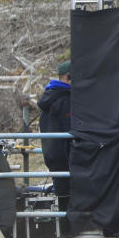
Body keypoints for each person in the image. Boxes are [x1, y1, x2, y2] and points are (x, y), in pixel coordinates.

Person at [39, 60, 72, 206]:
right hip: (65, 158)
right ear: (68, 77)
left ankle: (64, 227)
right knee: (69, 200)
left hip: (53, 156)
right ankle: (68, 228)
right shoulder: (65, 100)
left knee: (63, 198)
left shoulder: (50, 97)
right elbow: (71, 129)